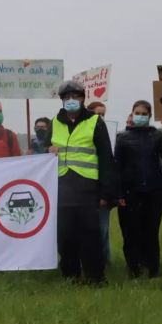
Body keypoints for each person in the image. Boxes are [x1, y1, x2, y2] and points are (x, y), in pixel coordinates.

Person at [46, 81, 117, 284]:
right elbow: (46, 151)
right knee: (65, 236)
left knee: (90, 236)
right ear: (62, 101)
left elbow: (106, 158)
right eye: (67, 98)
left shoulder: (95, 121)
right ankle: (70, 275)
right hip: (62, 188)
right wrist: (48, 150)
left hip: (87, 187)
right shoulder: (55, 122)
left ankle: (96, 277)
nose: (71, 101)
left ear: (82, 99)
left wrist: (105, 192)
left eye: (75, 97)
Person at [114, 100, 162, 278]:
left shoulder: (157, 135)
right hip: (130, 192)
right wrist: (119, 193)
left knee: (151, 231)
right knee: (131, 232)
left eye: (144, 113)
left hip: (153, 190)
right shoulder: (122, 138)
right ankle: (134, 268)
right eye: (137, 112)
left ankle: (153, 268)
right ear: (132, 114)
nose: (140, 116)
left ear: (149, 116)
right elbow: (117, 167)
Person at [87, 103, 111, 265]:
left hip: (102, 191)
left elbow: (108, 165)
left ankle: (104, 261)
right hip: (85, 190)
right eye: (98, 114)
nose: (101, 118)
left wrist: (106, 193)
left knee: (103, 230)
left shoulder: (108, 135)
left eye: (103, 114)